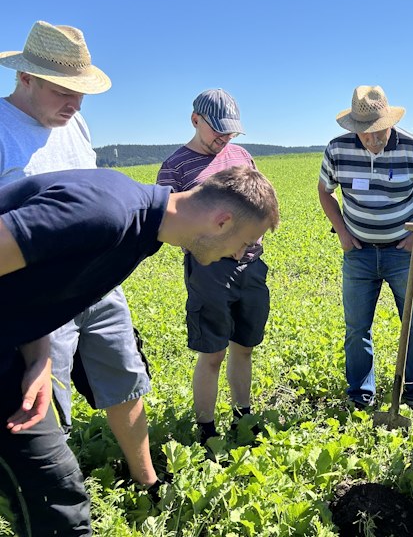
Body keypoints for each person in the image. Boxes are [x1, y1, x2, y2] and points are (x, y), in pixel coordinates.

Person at [0, 165, 279, 535]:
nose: (240, 255)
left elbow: (34, 283)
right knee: (54, 496)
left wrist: (37, 353)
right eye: (246, 244)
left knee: (55, 495)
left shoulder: (142, 230)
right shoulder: (108, 212)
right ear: (222, 222)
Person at [0, 20, 158, 490]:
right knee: (45, 397)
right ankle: (59, 494)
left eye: (81, 93)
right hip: (38, 298)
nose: (74, 104)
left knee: (125, 376)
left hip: (100, 283)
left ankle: (147, 479)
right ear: (24, 78)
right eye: (62, 91)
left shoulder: (76, 123)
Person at [318, 85, 413, 411]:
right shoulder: (337, 150)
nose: (373, 140)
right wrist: (342, 232)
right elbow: (325, 191)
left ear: (389, 120)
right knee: (357, 327)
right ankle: (361, 395)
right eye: (365, 134)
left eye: (378, 132)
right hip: (358, 252)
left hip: (404, 253)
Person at [157, 89, 269, 445]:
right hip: (209, 271)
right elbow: (164, 225)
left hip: (251, 265)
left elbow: (258, 202)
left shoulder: (241, 156)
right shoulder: (175, 166)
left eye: (230, 132)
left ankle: (243, 415)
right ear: (195, 121)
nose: (225, 139)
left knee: (245, 346)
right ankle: (206, 428)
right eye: (218, 131)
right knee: (212, 354)